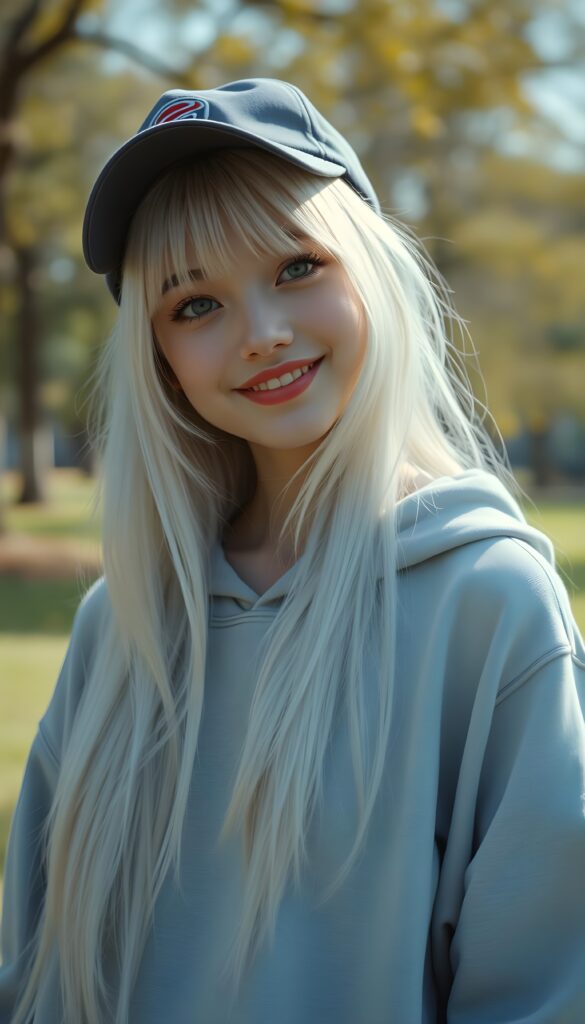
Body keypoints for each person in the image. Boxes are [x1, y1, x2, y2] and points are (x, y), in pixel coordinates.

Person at [1, 77, 584, 1024]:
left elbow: (543, 991)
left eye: (296, 268)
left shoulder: (487, 601)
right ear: (157, 358)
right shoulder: (124, 626)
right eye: (194, 305)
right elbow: (30, 967)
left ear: (370, 273)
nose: (261, 336)